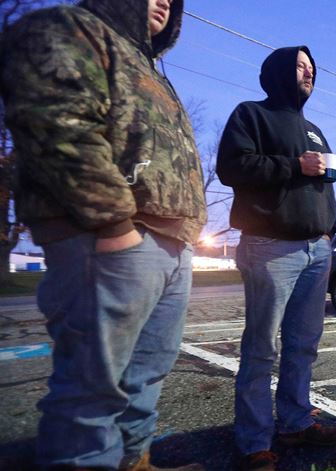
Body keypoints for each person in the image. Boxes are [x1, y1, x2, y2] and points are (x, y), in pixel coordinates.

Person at [0, 1, 206, 469]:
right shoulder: (68, 27)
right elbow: (57, 122)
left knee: (145, 375)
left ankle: (136, 461)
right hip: (108, 238)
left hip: (169, 242)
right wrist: (112, 223)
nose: (164, 3)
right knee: (92, 386)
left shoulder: (149, 65)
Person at [216, 45, 336, 470]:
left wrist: (329, 227)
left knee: (303, 345)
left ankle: (294, 421)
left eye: (312, 68)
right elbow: (232, 167)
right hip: (270, 246)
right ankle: (253, 442)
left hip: (316, 249)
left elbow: (324, 184)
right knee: (260, 349)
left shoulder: (314, 129)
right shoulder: (251, 114)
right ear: (276, 72)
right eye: (299, 66)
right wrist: (294, 165)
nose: (307, 73)